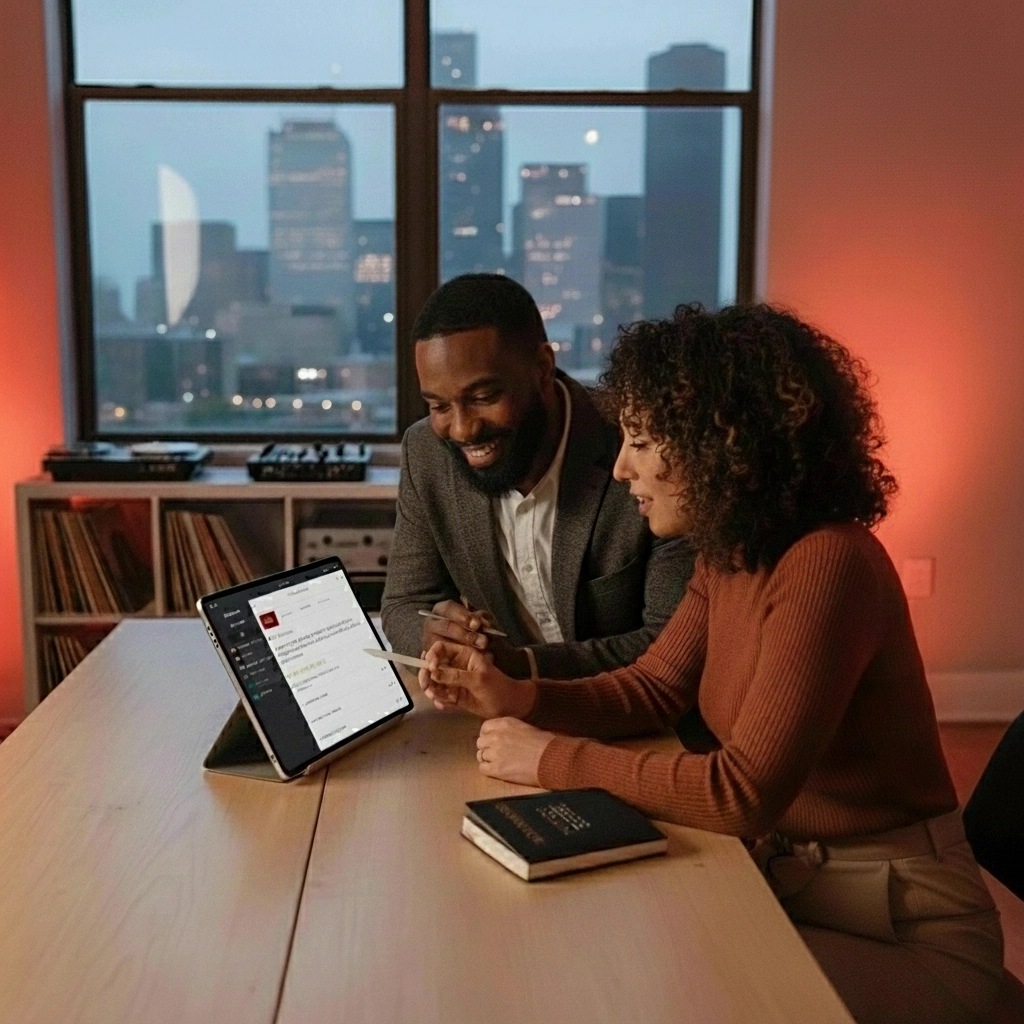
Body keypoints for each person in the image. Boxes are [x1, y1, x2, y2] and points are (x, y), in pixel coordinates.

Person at [420, 304, 1004, 1024]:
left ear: (719, 443)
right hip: (793, 886)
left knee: (665, 993)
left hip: (904, 932)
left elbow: (742, 792)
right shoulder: (732, 552)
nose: (620, 465)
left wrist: (549, 759)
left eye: (640, 440)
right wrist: (517, 692)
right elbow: (653, 687)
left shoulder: (829, 563)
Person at [380, 272, 700, 693]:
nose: (461, 429)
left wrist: (521, 667)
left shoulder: (639, 445)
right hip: (500, 722)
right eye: (439, 405)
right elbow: (405, 604)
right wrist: (435, 637)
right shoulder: (426, 453)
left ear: (543, 368)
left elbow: (671, 639)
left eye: (483, 398)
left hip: (643, 722)